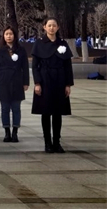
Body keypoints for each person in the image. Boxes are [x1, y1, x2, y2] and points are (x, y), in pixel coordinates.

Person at [31, 17, 74, 153]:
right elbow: (34, 66)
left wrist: (68, 84)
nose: (51, 28)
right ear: (44, 27)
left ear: (58, 27)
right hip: (45, 79)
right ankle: (47, 142)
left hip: (60, 80)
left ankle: (57, 142)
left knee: (58, 113)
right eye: (49, 25)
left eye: (54, 25)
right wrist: (37, 83)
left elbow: (68, 66)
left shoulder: (63, 43)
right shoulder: (39, 43)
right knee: (46, 112)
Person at [0, 27, 29, 143]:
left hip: (17, 80)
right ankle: (7, 131)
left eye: (11, 34)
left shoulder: (21, 50)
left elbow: (25, 67)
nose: (8, 36)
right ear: (3, 36)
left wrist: (25, 82)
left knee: (16, 108)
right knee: (5, 108)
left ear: (15, 36)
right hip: (3, 81)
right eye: (6, 34)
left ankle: (15, 132)